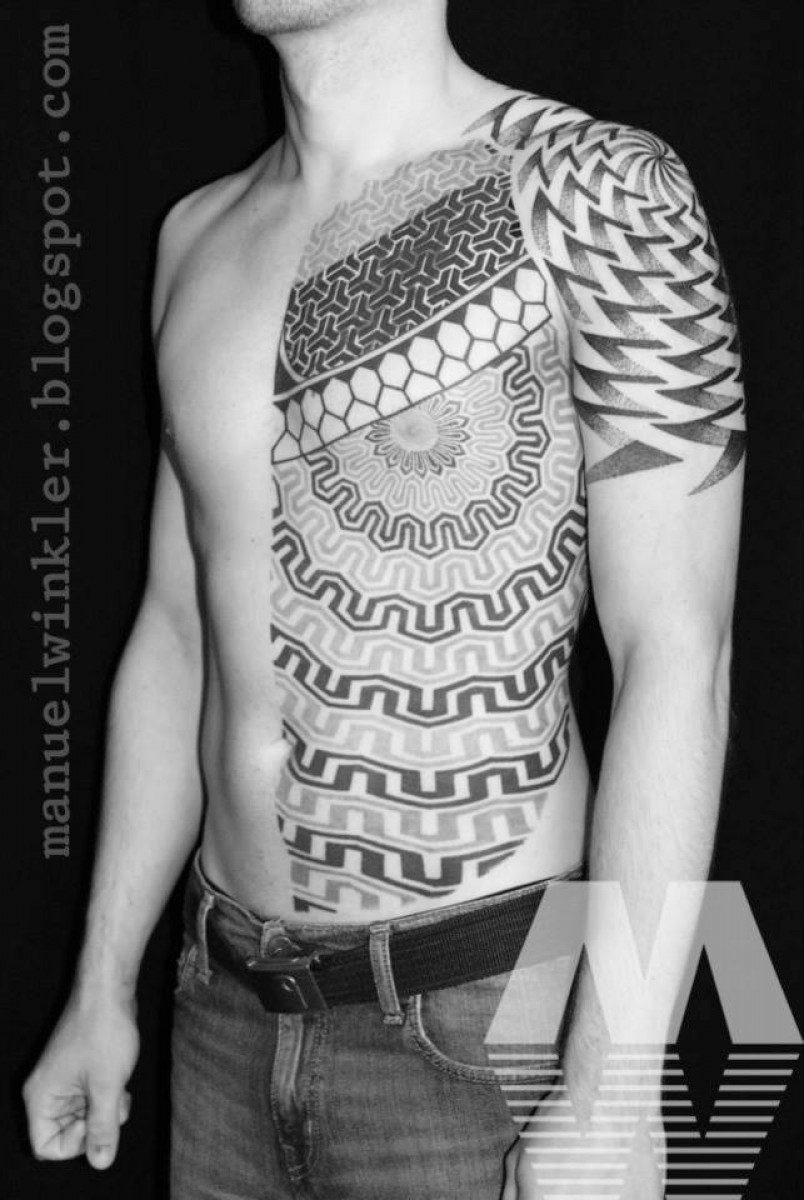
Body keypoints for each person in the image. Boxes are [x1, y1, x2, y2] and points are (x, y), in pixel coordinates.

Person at [22, 1, 745, 1197]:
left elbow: (678, 649)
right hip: (223, 1002)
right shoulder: (196, 233)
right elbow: (176, 630)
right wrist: (102, 985)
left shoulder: (596, 191)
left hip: (490, 1017)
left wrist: (614, 1092)